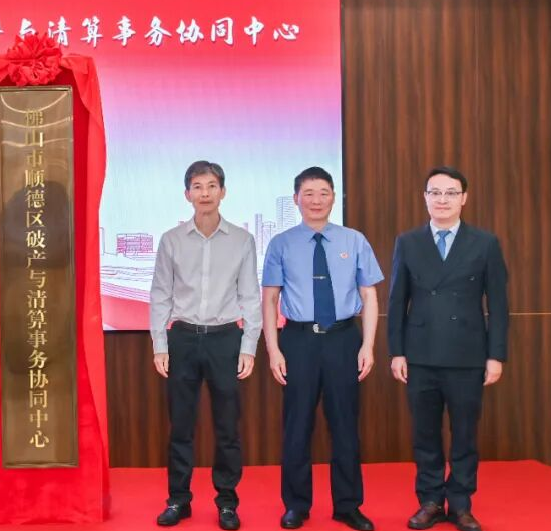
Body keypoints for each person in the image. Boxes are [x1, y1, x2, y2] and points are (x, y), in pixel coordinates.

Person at [387, 166, 508, 531]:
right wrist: (397, 351)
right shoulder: (408, 242)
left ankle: (460, 504)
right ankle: (429, 501)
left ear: (464, 198)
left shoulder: (485, 243)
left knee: (465, 434)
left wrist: (496, 355)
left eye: (451, 193)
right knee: (425, 433)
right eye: (435, 192)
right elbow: (397, 301)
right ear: (425, 197)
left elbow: (498, 304)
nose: (442, 199)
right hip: (420, 354)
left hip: (467, 354)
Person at [261, 167, 382, 531]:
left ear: (334, 197)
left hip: (344, 339)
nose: (316, 200)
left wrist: (368, 345)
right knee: (297, 425)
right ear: (296, 198)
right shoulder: (281, 244)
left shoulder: (354, 240)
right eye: (309, 193)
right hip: (298, 341)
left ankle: (348, 505)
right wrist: (273, 350)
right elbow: (270, 300)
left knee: (345, 424)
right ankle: (296, 505)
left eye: (324, 193)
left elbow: (369, 296)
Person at [149, 161, 262, 530]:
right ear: (187, 195)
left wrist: (248, 347)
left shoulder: (242, 240)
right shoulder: (171, 240)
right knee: (181, 426)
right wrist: (160, 344)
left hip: (225, 338)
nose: (205, 193)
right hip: (182, 338)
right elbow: (160, 295)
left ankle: (227, 502)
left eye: (212, 186)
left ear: (223, 192)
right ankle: (178, 500)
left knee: (227, 428)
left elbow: (250, 297)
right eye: (197, 186)